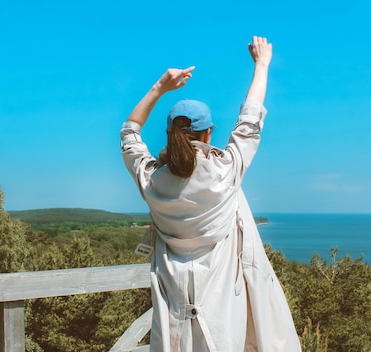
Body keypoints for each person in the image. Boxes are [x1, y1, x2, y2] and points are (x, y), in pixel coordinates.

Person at [120, 36, 301, 351]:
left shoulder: (152, 182)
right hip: (221, 317)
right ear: (208, 133)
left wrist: (159, 87)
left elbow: (129, 133)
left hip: (173, 313)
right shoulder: (225, 172)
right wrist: (262, 64)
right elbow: (250, 119)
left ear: (168, 134)